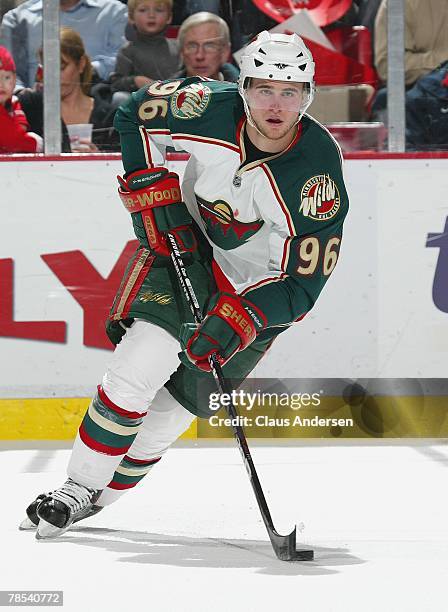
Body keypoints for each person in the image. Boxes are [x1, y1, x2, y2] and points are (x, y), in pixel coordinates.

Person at [20, 31, 349, 539]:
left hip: (255, 296)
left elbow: (304, 283)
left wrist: (240, 318)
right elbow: (133, 114)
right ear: (242, 89)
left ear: (308, 96)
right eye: (264, 89)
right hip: (185, 257)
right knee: (137, 368)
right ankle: (74, 488)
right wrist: (153, 196)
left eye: (290, 91)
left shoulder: (318, 172)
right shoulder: (205, 106)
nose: (276, 104)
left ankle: (94, 501)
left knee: (171, 415)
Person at [18, 27, 118, 152]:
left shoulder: (109, 117)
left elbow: (121, 166)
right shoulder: (30, 106)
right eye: (48, 67)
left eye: (61, 67)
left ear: (81, 64)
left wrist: (98, 158)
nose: (54, 76)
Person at [0, 0, 128, 90]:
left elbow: (122, 58)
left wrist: (85, 70)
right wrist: (21, 95)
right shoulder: (16, 19)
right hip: (34, 106)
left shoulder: (113, 12)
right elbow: (8, 69)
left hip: (97, 100)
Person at [110, 0, 181, 102]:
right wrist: (135, 81)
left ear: (169, 17)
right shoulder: (127, 50)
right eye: (143, 10)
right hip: (142, 105)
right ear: (131, 17)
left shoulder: (178, 47)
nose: (151, 15)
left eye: (159, 10)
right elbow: (115, 83)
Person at [174, 11, 239, 81]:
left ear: (225, 52)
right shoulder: (164, 91)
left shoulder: (247, 90)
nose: (200, 56)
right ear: (181, 52)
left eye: (209, 46)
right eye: (192, 47)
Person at [0, 44, 42, 153]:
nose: (1, 84)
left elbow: (19, 133)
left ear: (14, 80)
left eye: (7, 77)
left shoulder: (14, 103)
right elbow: (14, 139)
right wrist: (33, 143)